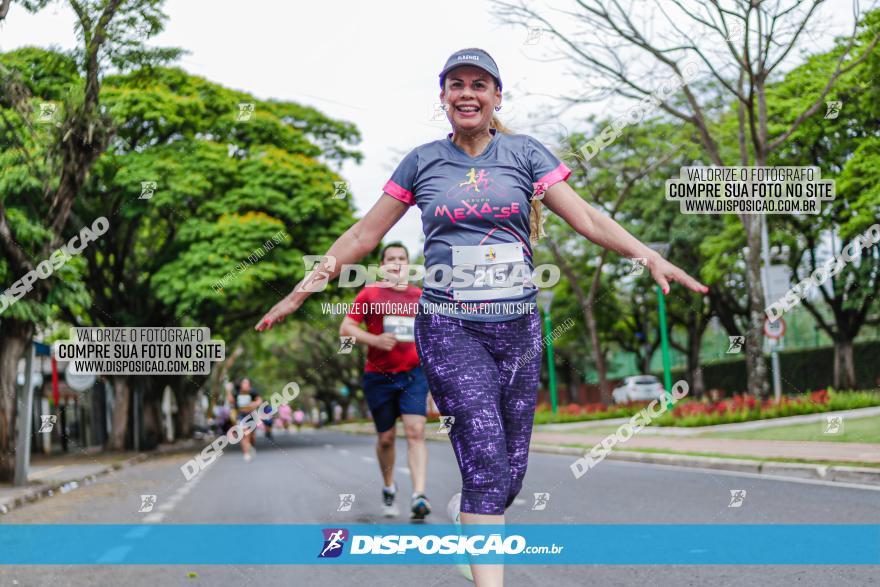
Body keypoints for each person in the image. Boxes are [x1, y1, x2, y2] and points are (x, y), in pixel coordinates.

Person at [255, 47, 707, 586]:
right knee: (488, 461)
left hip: (517, 327)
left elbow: (585, 216)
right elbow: (361, 236)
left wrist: (649, 255)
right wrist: (300, 293)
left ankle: (473, 513)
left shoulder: (525, 154)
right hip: (450, 326)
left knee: (507, 471)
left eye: (479, 84)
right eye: (456, 84)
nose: (467, 93)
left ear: (497, 96)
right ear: (442, 97)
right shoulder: (422, 161)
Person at [339, 242, 431, 520]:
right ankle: (389, 487)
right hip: (378, 376)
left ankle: (419, 494)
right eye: (390, 259)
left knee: (416, 432)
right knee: (387, 438)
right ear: (381, 266)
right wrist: (375, 339)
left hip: (414, 374)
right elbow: (346, 329)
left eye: (401, 258)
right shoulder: (370, 294)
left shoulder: (421, 296)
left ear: (408, 264)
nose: (396, 263)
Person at [234, 377, 262, 462]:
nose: (245, 385)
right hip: (241, 415)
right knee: (244, 434)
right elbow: (231, 401)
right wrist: (228, 391)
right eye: (243, 383)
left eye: (246, 383)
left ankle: (252, 446)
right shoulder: (237, 393)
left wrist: (255, 403)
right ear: (241, 384)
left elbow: (259, 400)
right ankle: (246, 454)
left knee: (252, 436)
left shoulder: (252, 392)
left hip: (252, 415)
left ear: (249, 385)